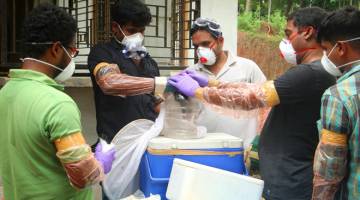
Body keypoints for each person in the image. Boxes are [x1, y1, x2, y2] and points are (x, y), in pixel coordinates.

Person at [169, 7, 336, 200]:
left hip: (292, 178)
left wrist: (198, 91)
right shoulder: (312, 71)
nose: (285, 41)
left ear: (307, 32)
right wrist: (212, 83)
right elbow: (255, 89)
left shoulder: (309, 73)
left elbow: (253, 97)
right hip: (286, 173)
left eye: (288, 33)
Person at [0, 3, 115, 199]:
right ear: (55, 49)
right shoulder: (57, 104)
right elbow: (83, 176)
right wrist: (101, 163)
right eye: (72, 51)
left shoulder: (6, 92)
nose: (72, 57)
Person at [87, 0, 166, 145]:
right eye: (132, 30)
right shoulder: (102, 53)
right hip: (115, 143)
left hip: (146, 142)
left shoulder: (149, 62)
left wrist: (180, 108)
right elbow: (109, 82)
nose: (138, 36)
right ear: (115, 27)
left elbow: (156, 102)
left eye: (141, 31)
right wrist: (158, 83)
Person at [186, 18, 266, 148]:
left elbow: (265, 102)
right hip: (204, 148)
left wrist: (257, 141)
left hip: (242, 148)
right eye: (196, 46)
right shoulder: (190, 73)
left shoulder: (247, 67)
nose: (200, 50)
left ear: (220, 41)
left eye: (206, 44)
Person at [312, 7, 360, 200]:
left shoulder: (339, 95)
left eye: (325, 49)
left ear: (340, 48)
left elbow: (329, 172)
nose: (325, 57)